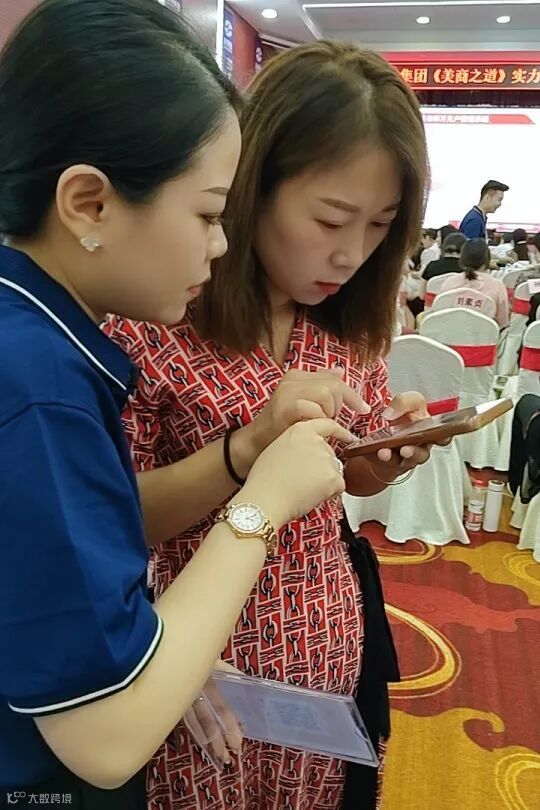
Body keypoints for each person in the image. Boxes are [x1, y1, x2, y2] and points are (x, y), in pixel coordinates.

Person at [0, 2, 353, 806]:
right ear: (89, 204)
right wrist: (263, 502)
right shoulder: (39, 383)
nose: (220, 245)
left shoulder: (38, 342)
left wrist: (164, 647)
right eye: (206, 214)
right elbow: (106, 738)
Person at [106, 42, 436, 810]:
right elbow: (114, 515)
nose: (351, 253)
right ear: (253, 187)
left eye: (380, 226)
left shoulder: (349, 325)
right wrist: (247, 448)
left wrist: (383, 456)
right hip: (194, 652)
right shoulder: (159, 314)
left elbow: (344, 479)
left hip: (322, 635)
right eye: (330, 219)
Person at [440, 238, 509, 328]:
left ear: (462, 259)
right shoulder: (497, 286)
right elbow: (502, 322)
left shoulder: (449, 282)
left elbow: (439, 314)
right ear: (487, 260)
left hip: (449, 334)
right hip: (484, 335)